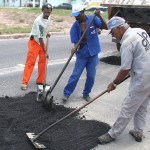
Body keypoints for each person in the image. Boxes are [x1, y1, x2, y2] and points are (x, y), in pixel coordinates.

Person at [98, 16, 150, 144]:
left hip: (142, 79)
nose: (113, 35)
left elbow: (125, 69)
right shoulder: (140, 31)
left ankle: (112, 134)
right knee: (142, 105)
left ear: (119, 28)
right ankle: (138, 131)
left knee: (128, 108)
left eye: (113, 31)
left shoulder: (127, 43)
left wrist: (114, 83)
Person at [62, 4, 107, 102]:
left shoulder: (92, 18)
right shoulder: (74, 27)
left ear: (82, 12)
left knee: (91, 76)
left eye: (77, 15)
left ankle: (86, 94)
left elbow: (105, 26)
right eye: (74, 15)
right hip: (82, 55)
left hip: (93, 53)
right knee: (75, 75)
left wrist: (99, 15)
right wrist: (75, 47)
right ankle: (66, 93)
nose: (76, 17)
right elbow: (76, 43)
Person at [21, 3, 52, 90]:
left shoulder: (49, 17)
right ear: (42, 11)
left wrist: (47, 32)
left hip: (42, 42)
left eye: (49, 12)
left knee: (43, 61)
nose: (47, 14)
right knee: (30, 62)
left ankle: (40, 80)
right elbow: (40, 39)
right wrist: (45, 52)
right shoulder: (39, 21)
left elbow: (46, 27)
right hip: (35, 42)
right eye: (46, 12)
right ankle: (24, 82)